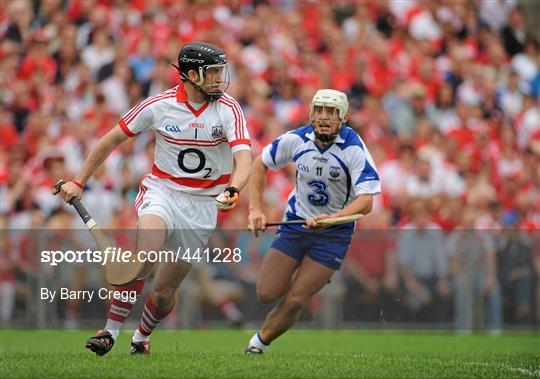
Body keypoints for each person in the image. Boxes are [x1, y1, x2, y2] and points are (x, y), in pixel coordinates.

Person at [58, 41, 251, 356]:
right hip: (162, 192)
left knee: (163, 294)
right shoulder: (158, 105)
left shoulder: (229, 108)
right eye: (212, 72)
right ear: (191, 75)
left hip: (203, 206)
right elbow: (112, 139)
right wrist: (79, 180)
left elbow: (244, 158)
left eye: (219, 71)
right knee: (146, 254)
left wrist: (235, 187)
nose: (219, 79)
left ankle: (141, 337)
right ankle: (110, 331)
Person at [245, 89, 380, 353]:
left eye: (331, 112)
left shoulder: (353, 148)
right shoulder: (297, 139)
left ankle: (258, 344)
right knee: (266, 293)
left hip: (334, 233)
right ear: (311, 113)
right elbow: (259, 164)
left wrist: (331, 220)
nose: (324, 117)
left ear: (344, 117)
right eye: (319, 110)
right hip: (296, 224)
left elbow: (366, 201)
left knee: (296, 299)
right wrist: (255, 210)